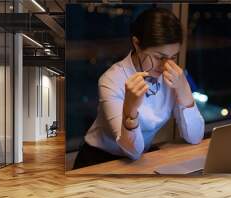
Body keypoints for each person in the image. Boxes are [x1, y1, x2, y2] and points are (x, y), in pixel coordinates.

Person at [73, 7, 205, 169]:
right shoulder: (111, 80)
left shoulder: (173, 76)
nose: (166, 65)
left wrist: (184, 91)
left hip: (140, 158)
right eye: (159, 57)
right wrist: (130, 109)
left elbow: (195, 137)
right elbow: (132, 151)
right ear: (136, 44)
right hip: (99, 159)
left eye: (173, 57)